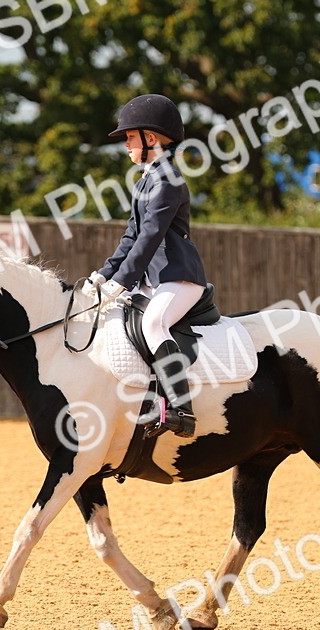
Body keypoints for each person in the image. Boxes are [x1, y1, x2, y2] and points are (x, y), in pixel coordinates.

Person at [89, 94, 207, 439]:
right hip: (153, 279)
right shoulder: (146, 179)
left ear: (150, 139)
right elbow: (131, 235)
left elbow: (151, 236)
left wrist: (121, 283)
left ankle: (181, 409)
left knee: (155, 324)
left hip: (178, 277)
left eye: (129, 137)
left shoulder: (168, 179)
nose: (126, 145)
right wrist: (103, 275)